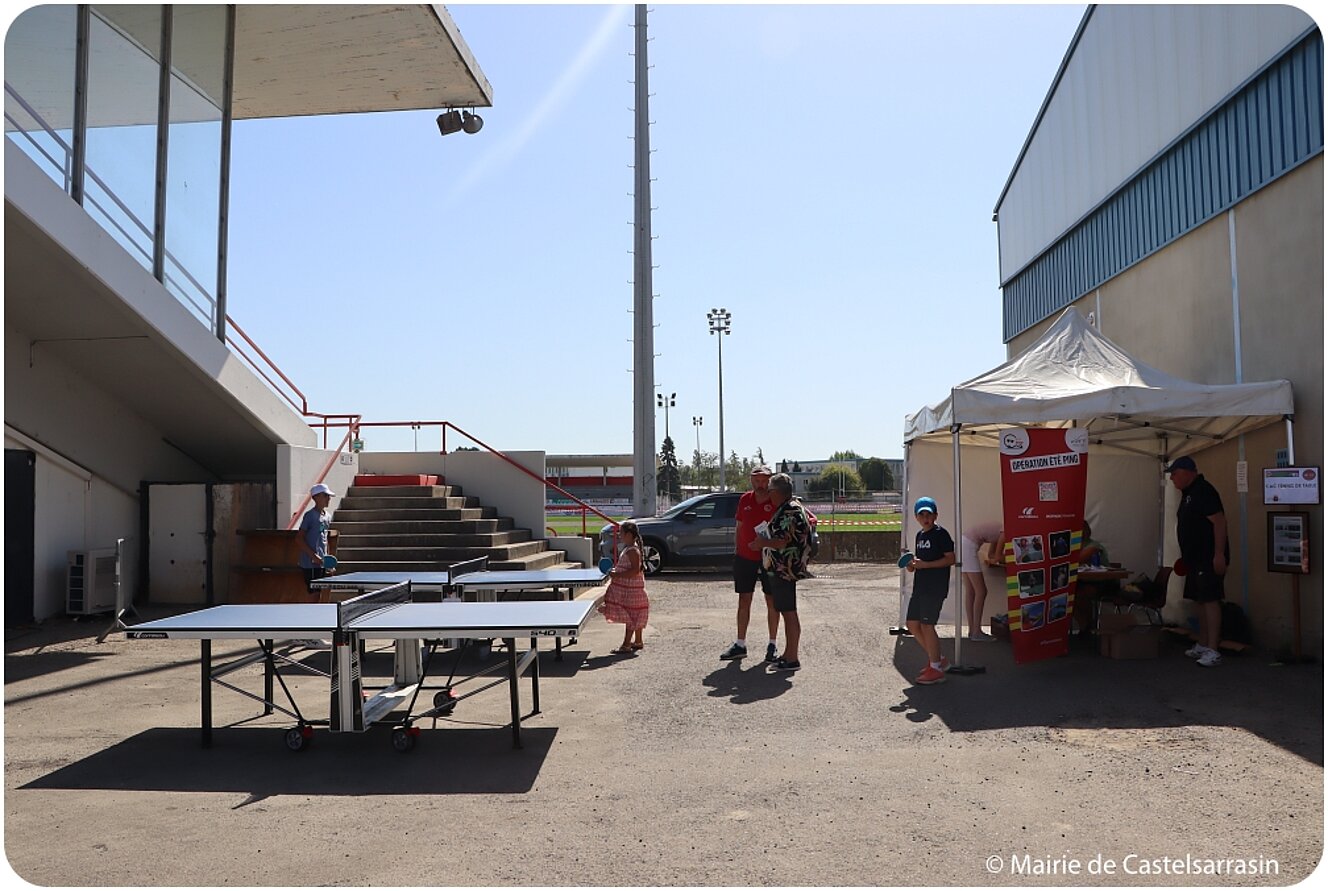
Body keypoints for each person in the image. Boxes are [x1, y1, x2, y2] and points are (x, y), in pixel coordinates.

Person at [748, 473, 813, 671]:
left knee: (789, 612)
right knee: (787, 611)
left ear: (776, 492)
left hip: (785, 569)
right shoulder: (791, 507)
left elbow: (782, 540)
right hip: (784, 568)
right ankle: (788, 654)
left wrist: (761, 542)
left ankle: (792, 658)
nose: (768, 495)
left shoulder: (789, 511)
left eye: (769, 491)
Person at [1168, 456, 1228, 667]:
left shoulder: (1203, 490)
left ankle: (1213, 648)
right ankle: (1203, 643)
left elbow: (1219, 522)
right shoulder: (1188, 494)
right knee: (1198, 600)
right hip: (1193, 559)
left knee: (1210, 599)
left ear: (1187, 472)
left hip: (1208, 557)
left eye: (1175, 474)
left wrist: (1219, 554)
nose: (1172, 479)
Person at [720, 465, 781, 662]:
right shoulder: (744, 499)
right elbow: (739, 526)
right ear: (751, 480)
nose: (760, 484)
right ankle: (740, 643)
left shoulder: (776, 500)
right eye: (756, 480)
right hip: (745, 557)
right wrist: (737, 550)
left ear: (770, 480)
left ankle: (772, 644)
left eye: (764, 480)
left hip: (769, 558)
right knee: (744, 600)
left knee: (771, 600)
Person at [905, 496, 956, 685]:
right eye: (921, 514)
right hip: (920, 586)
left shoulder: (941, 534)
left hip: (935, 588)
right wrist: (912, 565)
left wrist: (925, 565)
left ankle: (936, 669)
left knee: (927, 626)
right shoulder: (920, 535)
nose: (925, 517)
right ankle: (938, 659)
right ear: (917, 517)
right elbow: (920, 561)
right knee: (912, 624)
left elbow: (950, 559)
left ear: (935, 515)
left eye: (929, 514)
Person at [599, 520, 650, 654]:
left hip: (632, 590)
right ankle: (638, 641)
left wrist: (618, 574)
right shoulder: (629, 549)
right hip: (632, 589)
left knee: (632, 616)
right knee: (636, 614)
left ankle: (626, 644)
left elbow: (634, 570)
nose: (619, 535)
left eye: (621, 533)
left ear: (628, 534)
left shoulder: (632, 551)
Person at [960, 521, 1004, 641]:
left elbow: (992, 555)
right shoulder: (1007, 529)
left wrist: (995, 558)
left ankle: (972, 630)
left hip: (963, 543)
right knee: (981, 591)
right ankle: (976, 632)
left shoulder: (1000, 528)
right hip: (968, 546)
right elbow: (998, 557)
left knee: (971, 591)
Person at [297, 483, 335, 588]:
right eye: (325, 495)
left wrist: (327, 561)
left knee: (321, 593)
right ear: (316, 497)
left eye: (329, 496)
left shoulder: (327, 516)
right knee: (313, 594)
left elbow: (325, 538)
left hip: (322, 563)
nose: (328, 499)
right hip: (310, 564)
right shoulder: (309, 516)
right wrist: (313, 556)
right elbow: (299, 538)